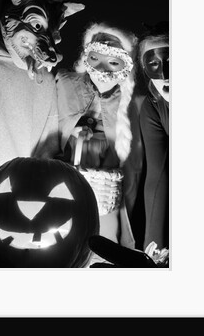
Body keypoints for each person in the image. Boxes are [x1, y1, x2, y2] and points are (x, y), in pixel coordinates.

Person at [55, 21, 145, 262]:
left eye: (114, 62)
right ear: (86, 57)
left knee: (104, 247)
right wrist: (73, 131)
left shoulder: (132, 102)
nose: (103, 70)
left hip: (108, 187)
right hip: (67, 176)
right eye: (96, 58)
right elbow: (53, 125)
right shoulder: (65, 85)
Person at [0, 0, 85, 173]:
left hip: (31, 184)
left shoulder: (46, 80)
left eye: (54, 33)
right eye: (37, 26)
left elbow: (48, 146)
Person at [137, 21, 169, 251]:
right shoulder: (152, 105)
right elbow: (158, 174)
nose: (165, 73)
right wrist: (154, 246)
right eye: (154, 63)